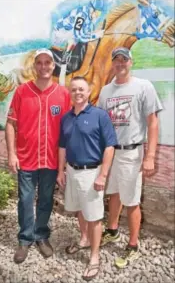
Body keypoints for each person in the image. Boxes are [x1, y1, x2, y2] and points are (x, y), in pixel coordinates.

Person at [98, 47, 163, 268]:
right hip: (111, 152)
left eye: (123, 60)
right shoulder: (105, 91)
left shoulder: (143, 86)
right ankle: (113, 230)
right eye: (116, 60)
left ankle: (133, 245)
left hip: (132, 153)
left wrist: (150, 156)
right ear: (112, 64)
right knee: (114, 193)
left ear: (130, 62)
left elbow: (153, 122)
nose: (120, 63)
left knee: (132, 200)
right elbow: (101, 124)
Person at [5, 49, 71, 264]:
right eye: (40, 63)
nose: (44, 66)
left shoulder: (63, 94)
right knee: (25, 200)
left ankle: (41, 235)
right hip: (26, 158)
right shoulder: (23, 91)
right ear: (35, 66)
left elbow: (69, 129)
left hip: (51, 160)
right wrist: (12, 154)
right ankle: (25, 239)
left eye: (48, 62)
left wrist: (67, 160)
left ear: (54, 66)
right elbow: (10, 123)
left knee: (45, 200)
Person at [57, 76, 117, 281]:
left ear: (89, 92)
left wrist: (103, 175)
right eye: (74, 90)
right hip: (71, 171)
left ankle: (94, 256)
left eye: (81, 89)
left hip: (92, 173)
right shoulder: (66, 118)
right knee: (80, 210)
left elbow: (110, 146)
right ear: (70, 93)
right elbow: (62, 147)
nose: (77, 93)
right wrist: (60, 171)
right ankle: (83, 239)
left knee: (94, 216)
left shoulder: (100, 115)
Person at [52, 0, 105, 85]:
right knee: (73, 40)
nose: (98, 15)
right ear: (92, 9)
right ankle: (63, 65)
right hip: (60, 33)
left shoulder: (90, 16)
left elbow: (86, 33)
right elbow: (79, 36)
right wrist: (96, 35)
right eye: (98, 12)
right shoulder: (81, 15)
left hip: (71, 32)